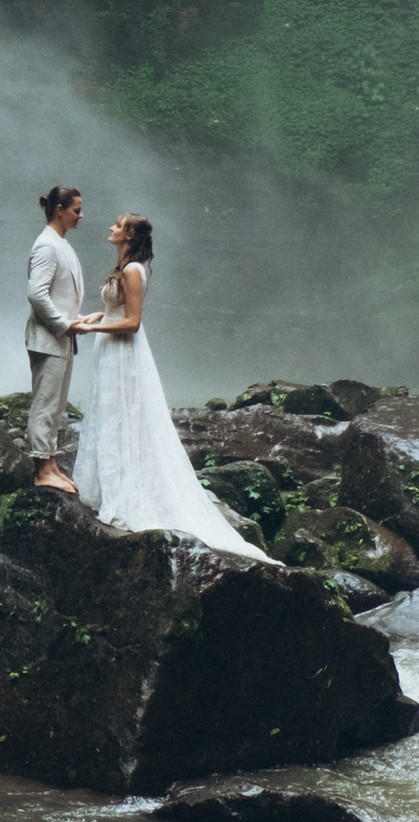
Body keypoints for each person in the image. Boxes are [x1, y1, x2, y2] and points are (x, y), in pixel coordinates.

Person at [72, 213, 269, 559]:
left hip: (123, 354)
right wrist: (96, 316)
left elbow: (132, 322)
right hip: (110, 352)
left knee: (124, 416)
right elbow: (117, 311)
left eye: (118, 225)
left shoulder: (133, 271)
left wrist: (92, 330)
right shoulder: (125, 265)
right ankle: (111, 487)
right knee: (111, 415)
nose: (111, 228)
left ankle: (126, 494)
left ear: (130, 235)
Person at [24, 186, 88, 493]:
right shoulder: (47, 246)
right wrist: (64, 325)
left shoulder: (60, 244)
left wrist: (78, 320)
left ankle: (50, 464)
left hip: (61, 338)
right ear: (60, 209)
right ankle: (41, 470)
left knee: (57, 404)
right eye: (76, 210)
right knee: (45, 404)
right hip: (48, 338)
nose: (81, 215)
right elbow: (36, 293)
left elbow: (63, 293)